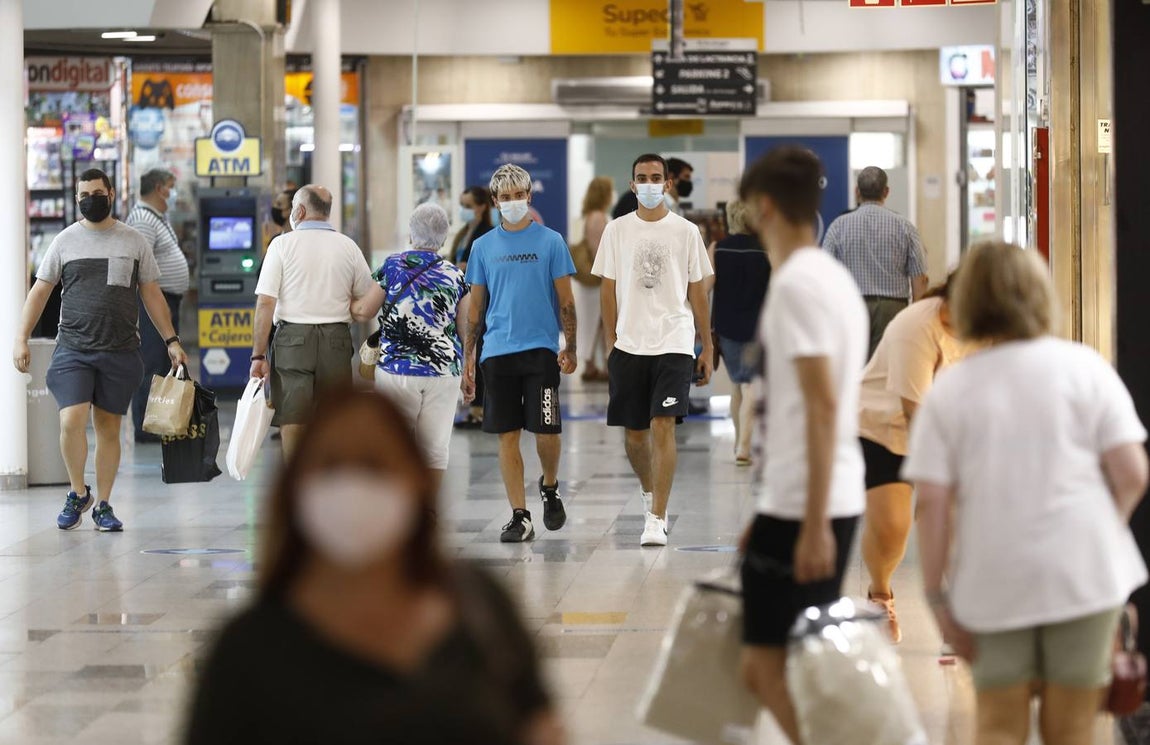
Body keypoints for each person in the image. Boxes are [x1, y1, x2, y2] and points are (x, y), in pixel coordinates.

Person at [182, 387, 564, 745]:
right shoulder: (248, 650)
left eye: (373, 466)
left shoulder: (478, 609)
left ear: (415, 481)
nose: (354, 488)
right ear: (296, 489)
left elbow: (539, 727)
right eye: (332, 468)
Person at [904, 241, 1149, 745]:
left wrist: (937, 597)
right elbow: (1132, 473)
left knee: (998, 726)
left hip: (995, 580)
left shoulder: (951, 391)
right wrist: (1101, 533)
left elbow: (932, 505)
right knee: (1074, 731)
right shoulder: (1086, 368)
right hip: (1084, 579)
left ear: (968, 302)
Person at [736, 147, 868, 745]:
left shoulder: (797, 286)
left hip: (809, 507)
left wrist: (811, 523)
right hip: (799, 499)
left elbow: (821, 405)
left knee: (770, 668)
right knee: (778, 665)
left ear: (764, 207)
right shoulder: (828, 278)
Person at [12, 168, 189, 532]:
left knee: (109, 428)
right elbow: (40, 291)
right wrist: (21, 337)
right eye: (84, 195)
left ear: (110, 194)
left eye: (97, 193)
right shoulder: (64, 241)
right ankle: (78, 492)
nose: (90, 200)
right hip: (73, 349)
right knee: (71, 420)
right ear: (77, 200)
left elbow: (152, 294)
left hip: (120, 350)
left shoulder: (133, 240)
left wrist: (171, 340)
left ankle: (104, 505)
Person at [591, 153, 714, 548]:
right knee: (634, 436)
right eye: (641, 177)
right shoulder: (616, 230)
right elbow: (607, 289)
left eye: (655, 177)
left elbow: (698, 292)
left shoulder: (686, 232)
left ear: (667, 184)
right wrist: (611, 342)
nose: (648, 184)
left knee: (663, 423)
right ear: (632, 185)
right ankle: (649, 489)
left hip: (674, 341)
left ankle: (657, 517)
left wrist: (707, 346)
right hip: (629, 344)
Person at [462, 164, 578, 543]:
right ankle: (520, 515)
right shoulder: (482, 247)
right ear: (495, 201)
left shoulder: (551, 242)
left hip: (541, 351)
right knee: (506, 435)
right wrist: (468, 358)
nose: (512, 202)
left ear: (529, 196)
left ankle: (550, 485)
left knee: (546, 430)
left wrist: (571, 346)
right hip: (497, 352)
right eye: (505, 197)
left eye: (518, 195)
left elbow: (566, 301)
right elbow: (475, 308)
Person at [856, 273, 969, 643]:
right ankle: (880, 593)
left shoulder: (990, 331)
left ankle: (961, 613)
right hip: (882, 426)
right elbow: (914, 413)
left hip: (948, 432)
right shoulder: (917, 325)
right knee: (893, 526)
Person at [351, 204, 469, 496]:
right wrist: (470, 372)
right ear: (444, 237)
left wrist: (345, 304)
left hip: (397, 369)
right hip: (444, 372)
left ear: (411, 234)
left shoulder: (393, 266)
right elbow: (467, 330)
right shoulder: (455, 275)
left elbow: (365, 311)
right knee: (435, 449)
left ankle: (399, 510)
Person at [250, 185, 374, 458]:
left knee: (293, 416)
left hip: (292, 342)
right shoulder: (348, 246)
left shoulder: (281, 245)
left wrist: (258, 355)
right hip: (336, 339)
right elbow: (367, 300)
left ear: (300, 211)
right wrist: (343, 308)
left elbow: (266, 303)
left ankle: (297, 476)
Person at [823, 166, 929, 359]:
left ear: (857, 191)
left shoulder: (837, 226)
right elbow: (919, 279)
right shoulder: (905, 227)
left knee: (854, 365)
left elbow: (825, 274)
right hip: (892, 308)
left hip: (850, 305)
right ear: (886, 192)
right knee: (885, 367)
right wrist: (916, 320)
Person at [127, 167, 191, 444]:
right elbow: (141, 268)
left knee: (164, 361)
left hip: (166, 300)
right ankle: (146, 427)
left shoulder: (156, 217)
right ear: (158, 188)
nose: (173, 192)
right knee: (152, 363)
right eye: (171, 186)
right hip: (153, 303)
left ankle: (159, 420)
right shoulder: (143, 219)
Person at [708, 199, 770, 467]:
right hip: (758, 328)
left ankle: (739, 441)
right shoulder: (766, 249)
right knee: (751, 385)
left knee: (737, 385)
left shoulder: (717, 248)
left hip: (727, 328)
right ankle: (744, 446)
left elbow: (704, 287)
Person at [450, 186, 494, 429]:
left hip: (480, 299)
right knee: (469, 351)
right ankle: (474, 406)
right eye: (462, 205)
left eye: (467, 206)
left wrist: (468, 266)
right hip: (462, 297)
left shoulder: (486, 234)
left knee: (480, 352)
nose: (463, 210)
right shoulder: (464, 233)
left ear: (481, 207)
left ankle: (480, 408)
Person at [571, 176, 613, 382]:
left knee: (592, 323)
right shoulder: (598, 217)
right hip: (597, 280)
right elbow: (599, 250)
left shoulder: (586, 216)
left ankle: (592, 365)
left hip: (588, 281)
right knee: (602, 322)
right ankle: (603, 366)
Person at [609, 156, 693, 219]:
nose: (649, 183)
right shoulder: (640, 199)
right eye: (686, 177)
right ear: (671, 176)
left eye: (655, 179)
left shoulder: (673, 204)